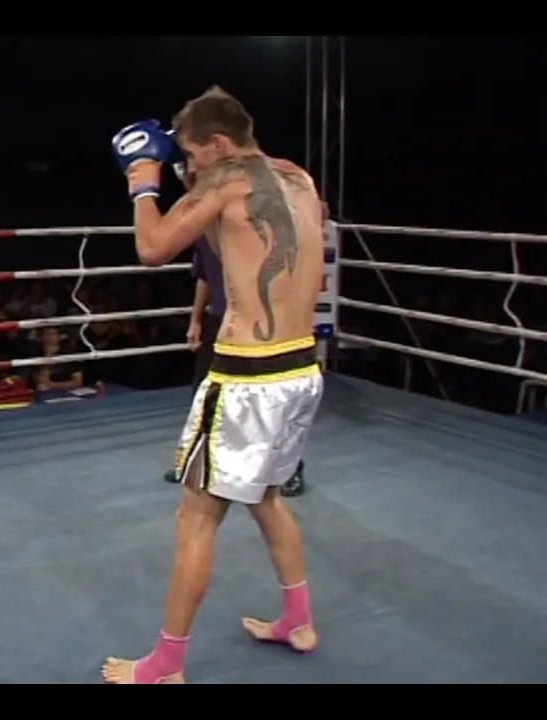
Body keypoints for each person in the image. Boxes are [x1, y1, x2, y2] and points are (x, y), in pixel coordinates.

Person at [103, 87, 325, 683]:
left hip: (246, 378)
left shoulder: (225, 183)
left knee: (196, 517)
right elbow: (243, 243)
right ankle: (298, 619)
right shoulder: (299, 178)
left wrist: (143, 183)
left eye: (193, 154)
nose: (190, 164)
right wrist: (191, 185)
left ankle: (165, 665)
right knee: (266, 496)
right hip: (301, 369)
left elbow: (151, 248)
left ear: (221, 144)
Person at [159, 170, 308, 497]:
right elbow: (204, 277)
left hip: (256, 324)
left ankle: (291, 468)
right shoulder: (203, 226)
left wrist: (141, 189)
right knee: (204, 392)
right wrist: (195, 319)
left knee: (271, 403)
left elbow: (152, 249)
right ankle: (196, 462)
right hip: (219, 318)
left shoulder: (249, 221)